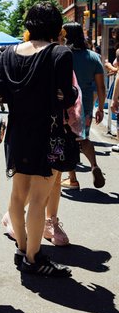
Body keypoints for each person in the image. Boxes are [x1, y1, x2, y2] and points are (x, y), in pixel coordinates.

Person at [0, 3, 75, 278]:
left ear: (28, 25)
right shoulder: (60, 54)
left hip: (18, 131)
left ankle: (21, 248)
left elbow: (0, 93)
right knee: (39, 200)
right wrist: (61, 95)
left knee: (18, 196)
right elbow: (68, 95)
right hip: (49, 132)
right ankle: (34, 257)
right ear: (55, 26)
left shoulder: (8, 53)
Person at [60, 22, 106, 190]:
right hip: (85, 104)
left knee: (68, 140)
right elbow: (101, 87)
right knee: (84, 138)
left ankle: (72, 179)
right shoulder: (93, 57)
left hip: (66, 103)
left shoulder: (63, 55)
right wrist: (100, 108)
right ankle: (94, 165)